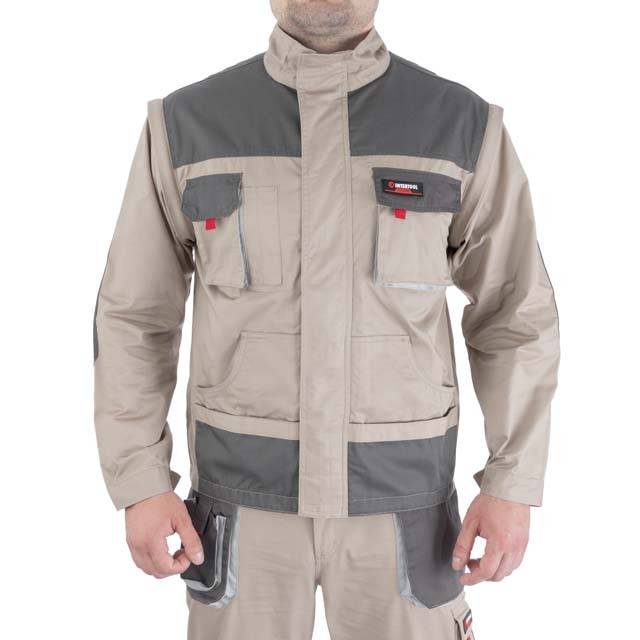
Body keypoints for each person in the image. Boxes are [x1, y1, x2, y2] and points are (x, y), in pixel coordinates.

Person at [93, 1, 560, 638]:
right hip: (238, 514)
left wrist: (512, 481)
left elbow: (516, 314)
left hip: (407, 515)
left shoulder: (460, 126)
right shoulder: (187, 126)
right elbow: (135, 317)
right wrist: (141, 480)